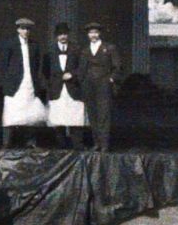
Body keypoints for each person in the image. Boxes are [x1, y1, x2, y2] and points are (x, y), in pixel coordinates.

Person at [0, 16, 51, 147]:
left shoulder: (34, 46)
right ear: (18, 30)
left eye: (27, 29)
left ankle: (31, 142)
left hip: (29, 83)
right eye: (23, 29)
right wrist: (9, 81)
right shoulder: (10, 44)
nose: (25, 31)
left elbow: (37, 65)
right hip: (15, 85)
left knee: (31, 113)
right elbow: (4, 65)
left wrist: (35, 81)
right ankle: (6, 143)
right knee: (11, 113)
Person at [44, 22, 88, 149]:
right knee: (59, 117)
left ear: (68, 35)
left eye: (65, 34)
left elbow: (82, 68)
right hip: (57, 89)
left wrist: (72, 75)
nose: (63, 36)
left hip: (73, 88)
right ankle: (61, 145)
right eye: (60, 34)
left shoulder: (77, 49)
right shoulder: (50, 51)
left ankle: (77, 145)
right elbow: (45, 71)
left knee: (75, 116)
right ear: (56, 36)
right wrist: (51, 84)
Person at [82, 22, 123, 152]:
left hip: (103, 85)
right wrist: (82, 82)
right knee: (92, 114)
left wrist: (111, 79)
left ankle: (104, 144)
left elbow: (118, 66)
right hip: (89, 85)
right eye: (90, 33)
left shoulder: (109, 48)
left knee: (103, 114)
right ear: (88, 35)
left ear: (99, 33)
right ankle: (97, 143)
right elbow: (82, 69)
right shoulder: (85, 50)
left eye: (95, 32)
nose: (93, 35)